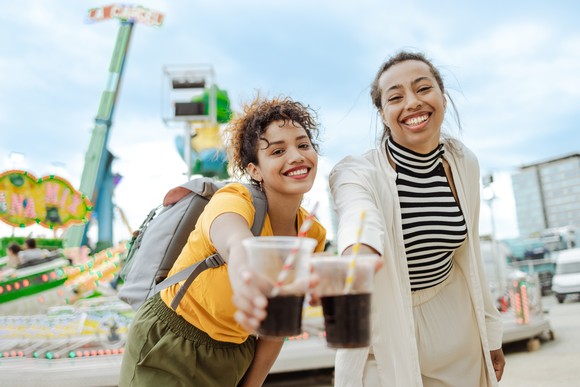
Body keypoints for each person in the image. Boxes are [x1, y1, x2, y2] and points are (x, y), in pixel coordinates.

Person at [119, 95, 326, 387]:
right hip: (173, 340)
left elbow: (278, 325)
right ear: (255, 170)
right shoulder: (233, 200)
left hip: (237, 352)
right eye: (278, 151)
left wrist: (252, 383)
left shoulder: (311, 234)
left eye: (303, 145)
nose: (296, 156)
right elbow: (236, 243)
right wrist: (248, 277)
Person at [328, 51, 505, 386]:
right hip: (383, 336)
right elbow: (358, 217)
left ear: (442, 97)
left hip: (459, 334)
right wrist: (357, 258)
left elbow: (473, 258)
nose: (411, 102)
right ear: (382, 114)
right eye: (395, 97)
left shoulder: (462, 161)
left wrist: (491, 336)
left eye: (423, 89)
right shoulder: (356, 172)